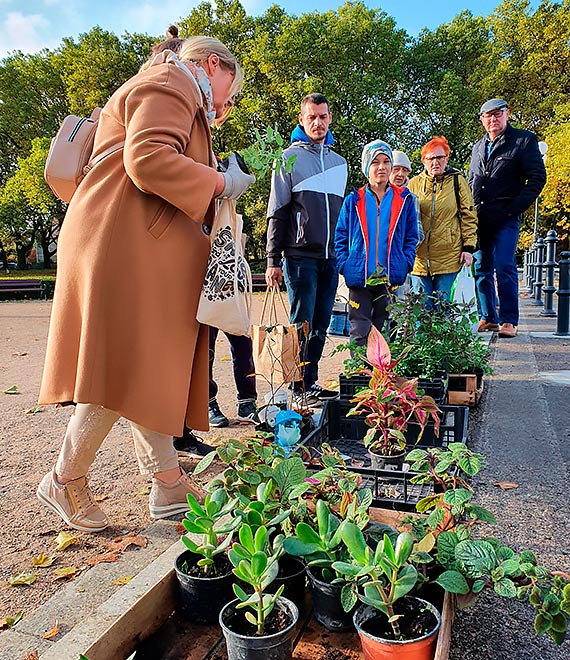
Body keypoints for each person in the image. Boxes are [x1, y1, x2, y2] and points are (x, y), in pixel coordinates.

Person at [36, 37, 254, 532]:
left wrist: (215, 174)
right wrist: (221, 183)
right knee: (124, 366)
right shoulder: (173, 81)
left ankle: (168, 484)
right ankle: (65, 479)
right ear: (214, 65)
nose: (227, 103)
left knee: (143, 365)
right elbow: (149, 158)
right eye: (232, 91)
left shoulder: (169, 83)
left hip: (125, 240)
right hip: (124, 243)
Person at [265, 93, 348, 406]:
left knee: (322, 322)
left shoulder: (340, 164)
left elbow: (342, 217)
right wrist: (273, 259)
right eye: (311, 117)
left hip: (331, 258)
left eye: (323, 116)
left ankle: (309, 382)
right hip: (300, 255)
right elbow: (277, 210)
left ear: (330, 118)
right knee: (301, 323)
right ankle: (295, 388)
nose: (318, 122)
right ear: (301, 120)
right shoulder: (288, 159)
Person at [469, 98, 547, 338]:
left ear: (507, 114)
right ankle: (488, 317)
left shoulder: (523, 141)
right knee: (481, 268)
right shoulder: (478, 146)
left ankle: (509, 320)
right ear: (482, 120)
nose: (493, 119)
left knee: (504, 265)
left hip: (506, 217)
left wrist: (515, 207)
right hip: (480, 218)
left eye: (497, 114)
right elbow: (473, 180)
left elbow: (537, 178)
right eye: (487, 115)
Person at [334, 140, 418, 345]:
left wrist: (405, 262)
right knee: (359, 330)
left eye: (386, 161)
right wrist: (344, 264)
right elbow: (340, 237)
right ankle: (359, 374)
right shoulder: (354, 200)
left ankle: (380, 375)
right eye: (375, 162)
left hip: (389, 277)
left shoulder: (404, 200)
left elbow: (411, 237)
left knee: (383, 331)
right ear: (366, 168)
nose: (381, 167)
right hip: (359, 276)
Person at [408, 136, 478, 308]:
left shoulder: (457, 181)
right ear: (424, 161)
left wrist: (468, 247)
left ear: (447, 158)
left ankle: (443, 336)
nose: (435, 162)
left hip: (449, 255)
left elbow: (468, 215)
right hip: (419, 257)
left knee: (443, 308)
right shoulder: (413, 184)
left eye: (440, 157)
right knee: (421, 310)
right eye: (430, 158)